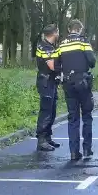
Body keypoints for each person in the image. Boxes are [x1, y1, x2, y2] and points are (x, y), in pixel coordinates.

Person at [55, 19, 97, 161]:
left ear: (69, 29)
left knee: (72, 117)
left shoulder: (61, 44)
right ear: (79, 29)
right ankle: (87, 149)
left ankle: (74, 152)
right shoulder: (83, 42)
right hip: (83, 82)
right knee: (87, 115)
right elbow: (92, 61)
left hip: (68, 83)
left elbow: (56, 64)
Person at [34, 24, 62, 152]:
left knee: (52, 110)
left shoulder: (49, 46)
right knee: (46, 111)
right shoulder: (45, 47)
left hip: (50, 81)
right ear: (54, 33)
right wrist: (63, 68)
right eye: (58, 32)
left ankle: (48, 137)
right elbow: (52, 65)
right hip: (46, 82)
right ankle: (41, 140)